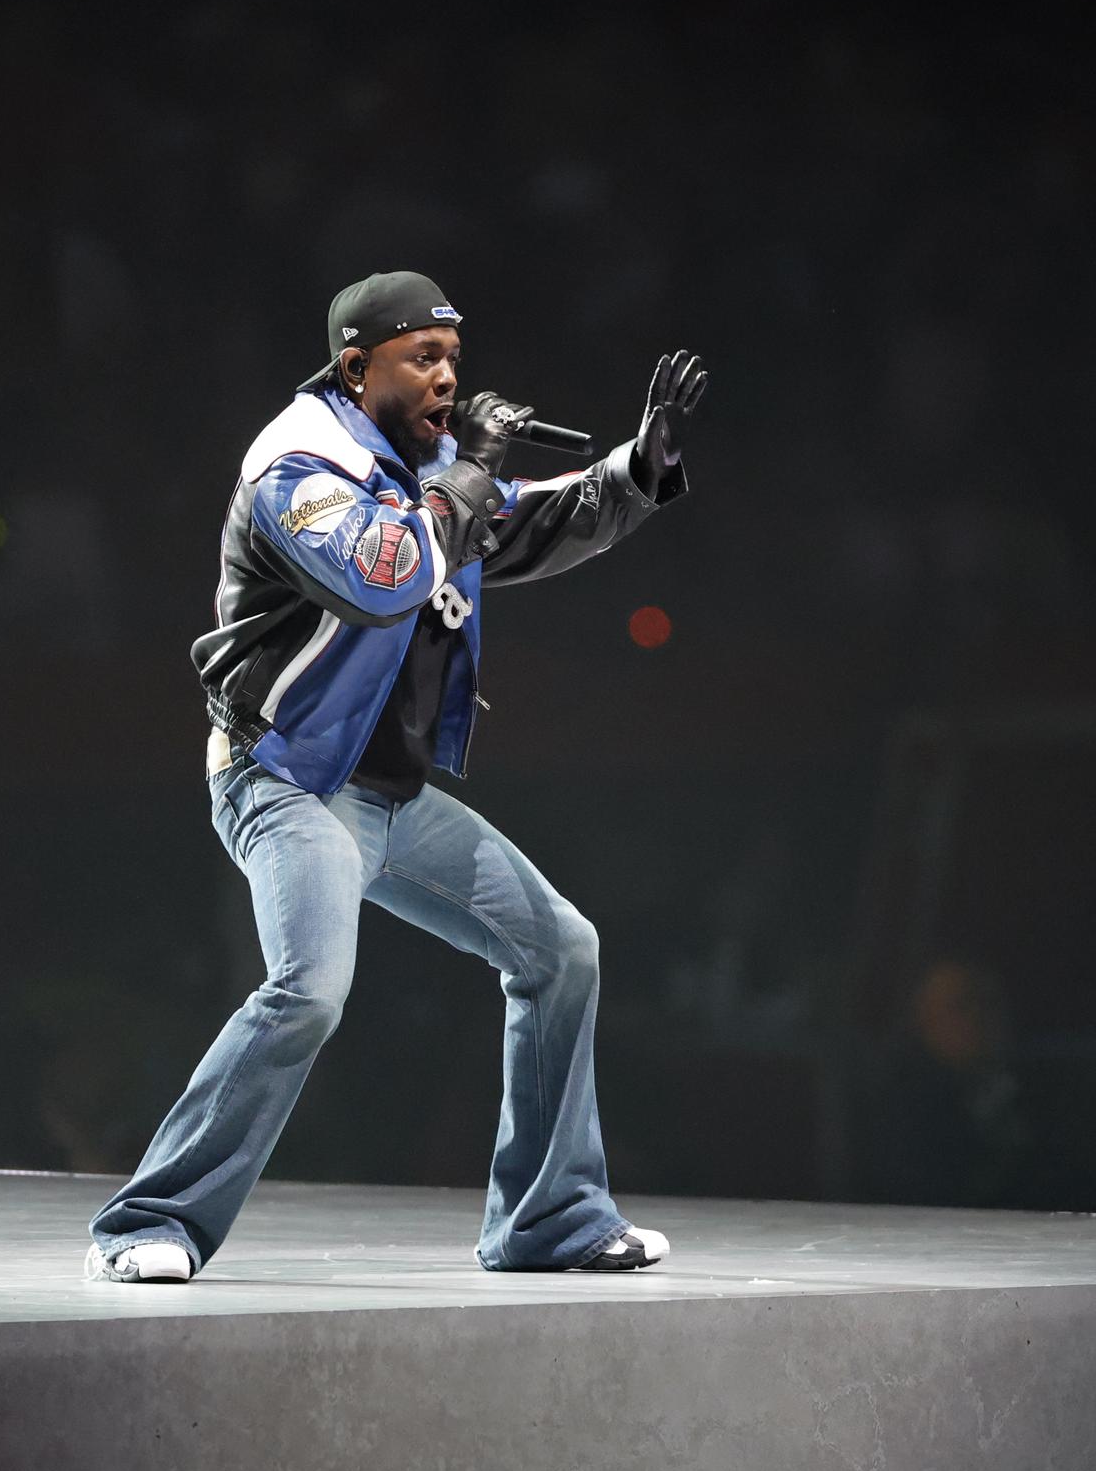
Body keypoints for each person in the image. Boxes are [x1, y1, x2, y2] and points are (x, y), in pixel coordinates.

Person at [85, 271, 706, 1281]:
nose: (448, 378)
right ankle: (148, 1220)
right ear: (355, 366)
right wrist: (468, 478)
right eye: (424, 357)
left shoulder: (435, 467)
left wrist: (639, 470)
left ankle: (548, 1220)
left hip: (385, 797)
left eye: (454, 357)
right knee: (311, 990)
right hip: (283, 779)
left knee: (564, 950)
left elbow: (527, 524)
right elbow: (381, 573)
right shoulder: (297, 464)